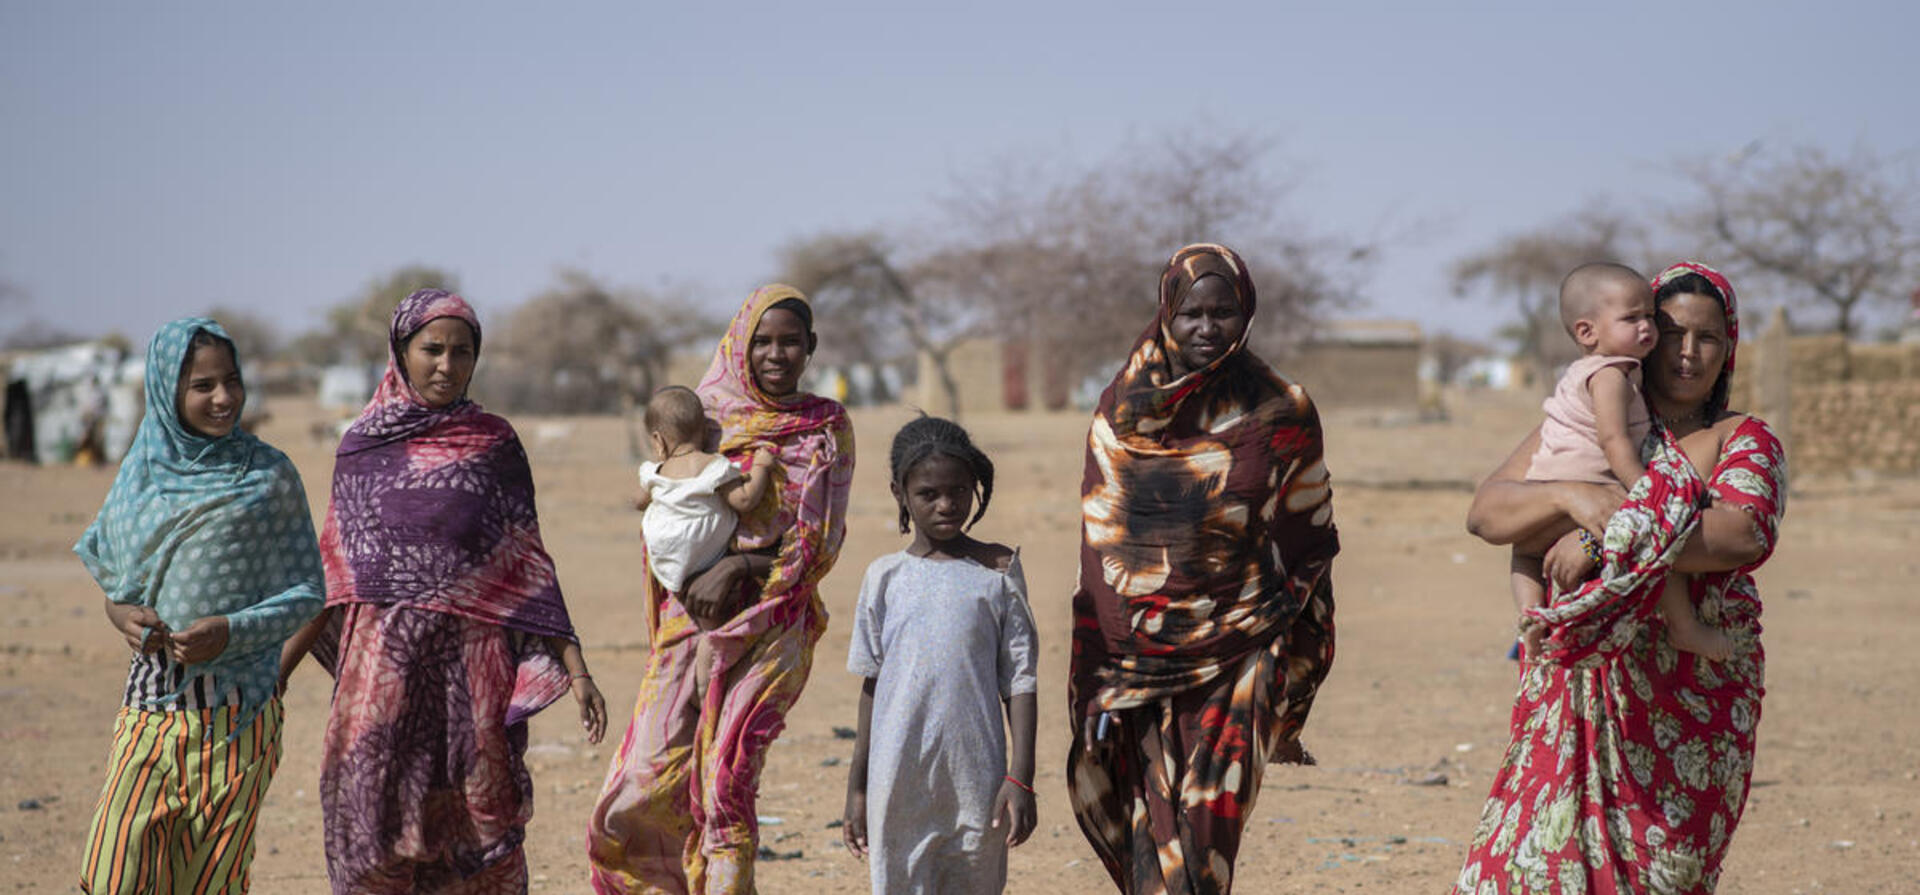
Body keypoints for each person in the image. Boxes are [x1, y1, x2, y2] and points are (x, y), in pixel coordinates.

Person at [1453, 262, 1787, 894]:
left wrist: (1603, 533)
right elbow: (1488, 512)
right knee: (1531, 870)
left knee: (1662, 876)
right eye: (1671, 331)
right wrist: (1576, 495)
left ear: (1730, 346)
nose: (1688, 352)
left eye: (1708, 337)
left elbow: (1741, 534)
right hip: (1578, 691)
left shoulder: (1742, 438)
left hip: (1690, 703)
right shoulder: (1592, 413)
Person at [279, 288, 607, 894]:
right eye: (432, 349)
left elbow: (527, 562)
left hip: (472, 673)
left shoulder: (494, 444)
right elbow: (334, 574)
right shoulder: (361, 445)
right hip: (382, 675)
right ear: (401, 352)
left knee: (472, 832)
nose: (446, 366)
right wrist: (279, 670)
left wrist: (577, 668)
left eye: (462, 352)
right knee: (370, 825)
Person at [1066, 243, 1339, 894]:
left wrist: (1298, 639)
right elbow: (1100, 550)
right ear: (1167, 312)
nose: (1207, 327)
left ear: (1245, 313)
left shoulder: (1282, 408)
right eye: (1192, 312)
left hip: (1246, 647)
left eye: (1223, 311)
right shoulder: (1120, 410)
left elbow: (1308, 535)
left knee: (1211, 825)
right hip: (1138, 654)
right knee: (1152, 823)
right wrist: (1104, 674)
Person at [588, 284, 856, 895]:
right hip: (691, 620)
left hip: (776, 622)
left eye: (791, 342)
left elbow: (823, 539)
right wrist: (696, 576)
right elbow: (666, 514)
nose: (776, 354)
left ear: (811, 348)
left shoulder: (826, 426)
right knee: (641, 779)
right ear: (739, 344)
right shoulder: (706, 417)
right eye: (762, 341)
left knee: (727, 778)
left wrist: (740, 568)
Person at [75, 318, 324, 894]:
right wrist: (124, 619)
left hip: (241, 719)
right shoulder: (140, 476)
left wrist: (231, 632)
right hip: (151, 712)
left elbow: (308, 593)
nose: (223, 398)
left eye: (231, 382)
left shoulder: (268, 476)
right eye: (203, 386)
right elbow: (119, 591)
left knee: (210, 882)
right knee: (116, 871)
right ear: (167, 391)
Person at [841, 415, 1039, 894]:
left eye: (958, 491)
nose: (947, 504)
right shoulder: (884, 578)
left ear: (975, 488)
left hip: (976, 779)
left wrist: (1022, 778)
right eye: (929, 494)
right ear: (900, 494)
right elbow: (872, 686)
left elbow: (1021, 682)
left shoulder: (998, 573)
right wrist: (859, 785)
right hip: (898, 777)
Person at [1512, 263, 1732, 662]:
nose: (1646, 327)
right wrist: (1644, 491)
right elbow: (1613, 440)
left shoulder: (1584, 374)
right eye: (1633, 319)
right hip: (1584, 485)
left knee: (1525, 555)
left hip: (1542, 492)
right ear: (1587, 331)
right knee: (1656, 534)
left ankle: (1532, 619)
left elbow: (1744, 536)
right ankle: (1685, 627)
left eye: (1650, 317)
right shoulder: (1612, 375)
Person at [633, 385, 776, 598]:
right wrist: (761, 466)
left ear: (658, 440)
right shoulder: (714, 466)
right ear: (707, 431)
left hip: (665, 546)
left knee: (687, 593)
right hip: (701, 547)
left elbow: (639, 502)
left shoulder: (655, 471)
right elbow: (744, 500)